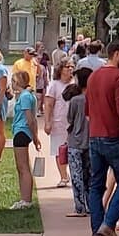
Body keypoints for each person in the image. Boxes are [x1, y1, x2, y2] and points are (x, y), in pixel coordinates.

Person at [85, 39, 119, 236]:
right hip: (114, 136)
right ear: (116, 53)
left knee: (96, 185)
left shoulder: (93, 76)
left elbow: (88, 111)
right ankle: (109, 224)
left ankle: (98, 231)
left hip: (94, 136)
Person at [10, 69, 42, 210]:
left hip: (22, 131)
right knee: (21, 167)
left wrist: (35, 136)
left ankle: (26, 199)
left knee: (23, 167)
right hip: (23, 131)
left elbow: (30, 119)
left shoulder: (24, 97)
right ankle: (24, 198)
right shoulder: (28, 95)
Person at [63, 68, 92, 217]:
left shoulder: (76, 100)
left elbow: (70, 119)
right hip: (91, 140)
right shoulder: (95, 98)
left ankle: (79, 207)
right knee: (89, 176)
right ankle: (91, 204)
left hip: (75, 141)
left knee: (76, 176)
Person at [44, 58, 76, 187]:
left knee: (74, 150)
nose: (70, 69)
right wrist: (47, 122)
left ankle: (73, 175)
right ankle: (63, 176)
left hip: (74, 122)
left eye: (72, 67)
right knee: (59, 150)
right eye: (67, 67)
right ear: (60, 69)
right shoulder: (54, 85)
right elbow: (48, 104)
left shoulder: (76, 84)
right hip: (59, 122)